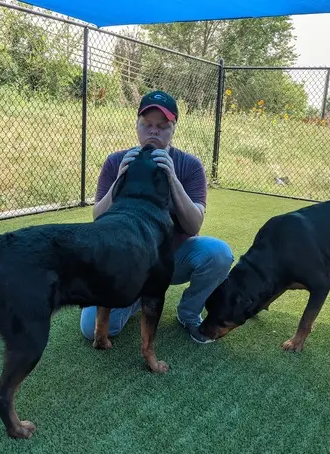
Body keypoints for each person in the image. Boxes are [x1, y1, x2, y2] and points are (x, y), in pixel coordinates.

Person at [79, 90, 234, 344]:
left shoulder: (189, 166)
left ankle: (188, 312)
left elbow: (193, 225)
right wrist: (120, 179)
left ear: (174, 129)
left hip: (171, 259)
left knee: (218, 253)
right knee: (91, 329)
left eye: (163, 126)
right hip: (127, 262)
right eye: (147, 125)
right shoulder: (117, 161)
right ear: (137, 126)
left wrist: (172, 179)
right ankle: (139, 295)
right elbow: (99, 218)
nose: (154, 132)